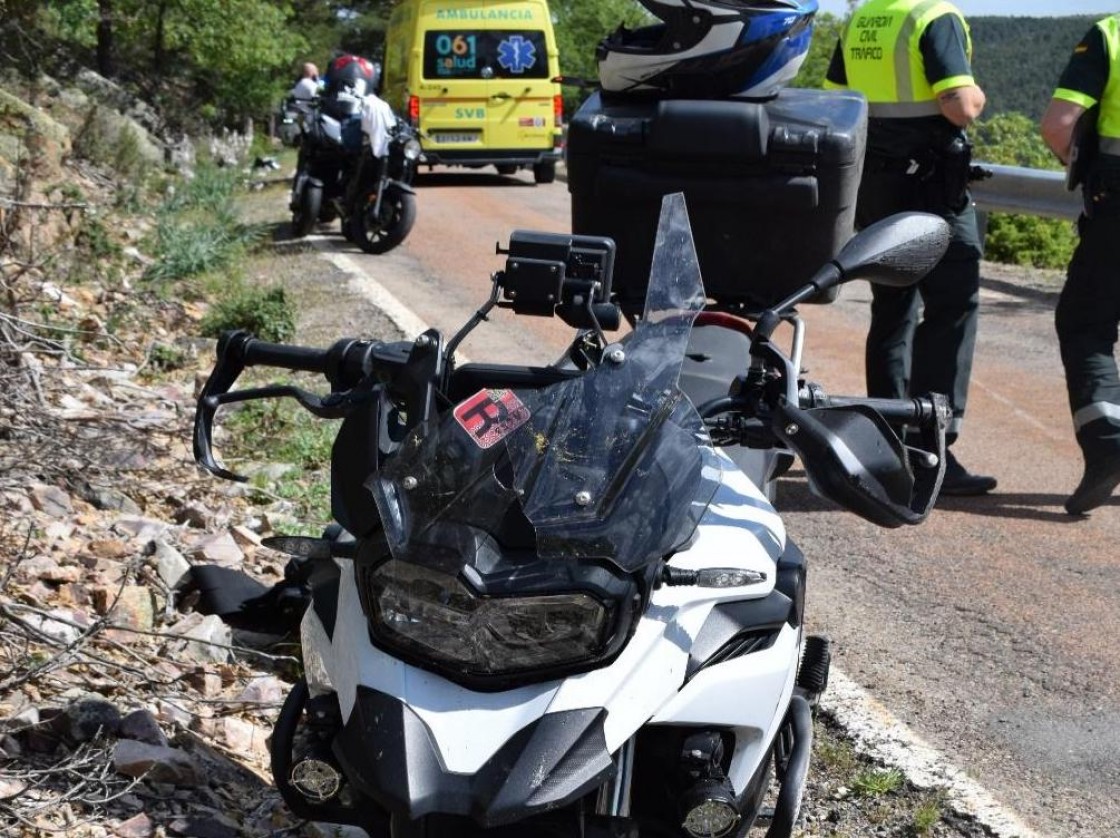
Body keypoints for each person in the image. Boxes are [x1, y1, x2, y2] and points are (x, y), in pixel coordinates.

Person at [824, 0, 996, 496]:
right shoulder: (933, 16)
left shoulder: (863, 19)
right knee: (952, 306)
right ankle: (933, 448)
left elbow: (840, 100)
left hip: (878, 187)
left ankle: (886, 442)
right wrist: (978, 96)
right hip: (933, 189)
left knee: (892, 311)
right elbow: (960, 105)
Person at [1040, 14, 1120, 515]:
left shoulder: (1112, 33)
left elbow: (1058, 124)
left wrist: (1080, 167)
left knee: (1085, 322)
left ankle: (1107, 439)